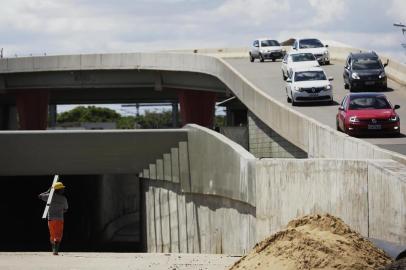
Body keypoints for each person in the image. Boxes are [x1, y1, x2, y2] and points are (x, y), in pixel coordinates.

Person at [38, 181, 68, 255]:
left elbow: (40, 196)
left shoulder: (49, 196)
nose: (63, 190)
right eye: (62, 189)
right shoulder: (63, 199)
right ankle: (55, 251)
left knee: (52, 235)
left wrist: (48, 191)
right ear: (58, 190)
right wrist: (60, 210)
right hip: (59, 219)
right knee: (58, 235)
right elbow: (66, 209)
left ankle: (53, 250)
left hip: (50, 219)